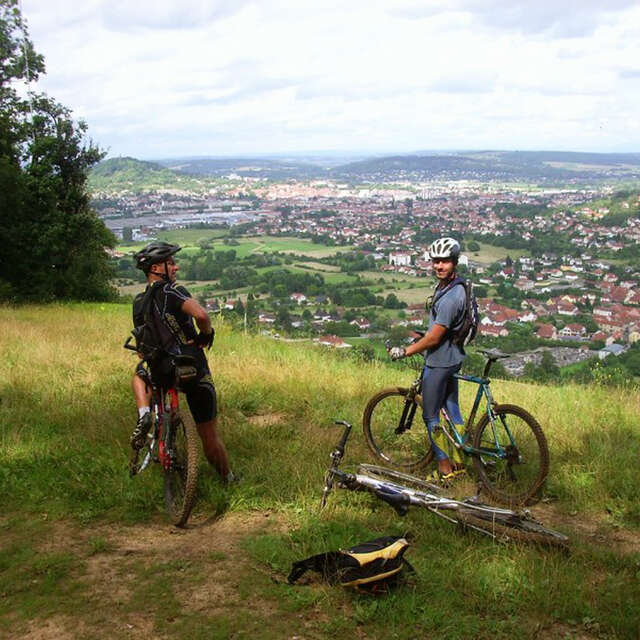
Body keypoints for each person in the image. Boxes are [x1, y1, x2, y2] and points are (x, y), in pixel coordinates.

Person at [130, 241, 235, 484]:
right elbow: (202, 315)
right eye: (171, 263)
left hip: (161, 369)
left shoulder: (138, 302)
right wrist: (206, 334)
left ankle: (145, 413)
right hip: (192, 366)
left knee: (140, 372)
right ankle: (228, 479)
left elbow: (141, 344)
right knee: (208, 433)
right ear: (157, 268)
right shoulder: (172, 291)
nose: (175, 268)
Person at [389, 237, 467, 483]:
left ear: (454, 262)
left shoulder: (451, 298)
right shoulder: (457, 286)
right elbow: (439, 331)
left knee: (431, 415)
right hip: (454, 356)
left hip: (439, 362)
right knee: (452, 409)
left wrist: (406, 351)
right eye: (436, 261)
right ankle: (459, 462)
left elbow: (434, 339)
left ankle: (445, 471)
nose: (439, 266)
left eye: (444, 261)